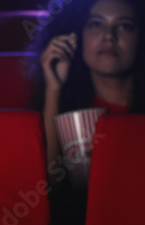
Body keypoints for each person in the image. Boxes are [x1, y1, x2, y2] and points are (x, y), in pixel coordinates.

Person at [36, 0, 142, 166]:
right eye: (96, 24)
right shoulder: (68, 110)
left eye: (124, 26)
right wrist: (53, 90)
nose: (109, 36)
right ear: (77, 37)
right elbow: (53, 185)